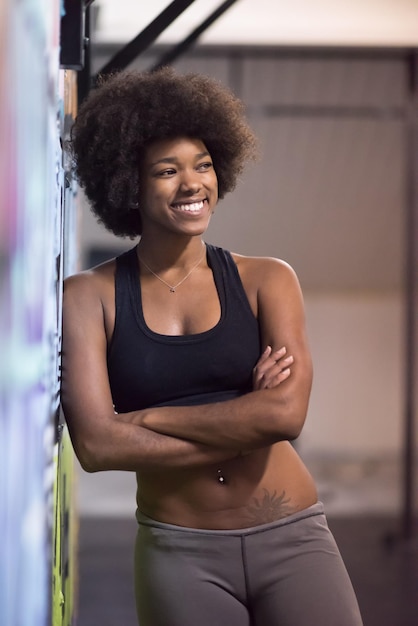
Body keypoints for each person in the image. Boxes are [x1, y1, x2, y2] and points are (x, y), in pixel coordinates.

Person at [62, 67, 363, 626]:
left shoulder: (268, 279)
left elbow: (285, 415)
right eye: (167, 171)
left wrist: (147, 418)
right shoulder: (89, 297)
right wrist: (244, 421)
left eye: (203, 165)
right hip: (180, 552)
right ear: (129, 182)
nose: (192, 184)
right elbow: (99, 447)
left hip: (293, 535)